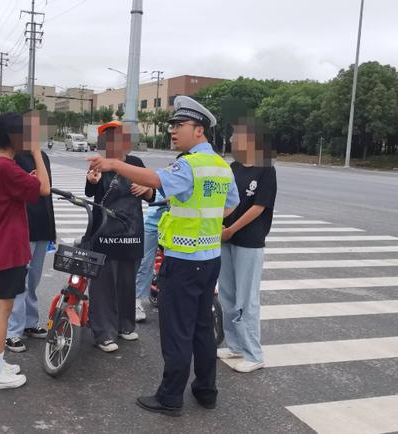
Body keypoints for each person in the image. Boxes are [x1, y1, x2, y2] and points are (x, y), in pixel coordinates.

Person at [88, 96, 239, 416]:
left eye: (179, 126)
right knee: (201, 328)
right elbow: (230, 205)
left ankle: (170, 397)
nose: (173, 131)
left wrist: (114, 163)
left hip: (183, 259)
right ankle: (206, 390)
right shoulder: (221, 166)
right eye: (172, 126)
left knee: (177, 332)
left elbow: (156, 181)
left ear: (199, 130)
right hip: (210, 257)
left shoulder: (189, 164)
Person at [0, 112, 50, 390]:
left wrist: (27, 177)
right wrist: (36, 151)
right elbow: (44, 189)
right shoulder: (7, 167)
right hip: (8, 249)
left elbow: (19, 190)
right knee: (2, 311)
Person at [85, 121, 154, 353]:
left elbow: (151, 192)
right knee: (103, 284)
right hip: (104, 231)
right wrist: (92, 180)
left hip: (131, 231)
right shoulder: (99, 162)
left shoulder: (135, 163)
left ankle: (125, 325)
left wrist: (147, 190)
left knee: (127, 281)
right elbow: (90, 189)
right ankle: (103, 332)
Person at [217, 114, 277, 373]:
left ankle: (254, 354)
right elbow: (228, 203)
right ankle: (235, 346)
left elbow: (259, 207)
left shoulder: (266, 169)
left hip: (249, 242)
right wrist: (219, 224)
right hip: (227, 239)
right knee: (228, 295)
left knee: (247, 299)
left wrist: (230, 229)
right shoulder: (234, 168)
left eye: (234, 136)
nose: (231, 140)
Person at [5, 148, 57, 352]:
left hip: (42, 225)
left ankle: (29, 323)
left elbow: (47, 191)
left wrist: (52, 229)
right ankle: (13, 332)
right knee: (20, 280)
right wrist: (25, 181)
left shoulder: (42, 156)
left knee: (33, 279)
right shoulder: (13, 156)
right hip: (23, 225)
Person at [134, 189, 167, 322]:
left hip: (176, 227)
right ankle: (136, 303)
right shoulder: (167, 177)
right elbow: (153, 197)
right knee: (145, 263)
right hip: (154, 225)